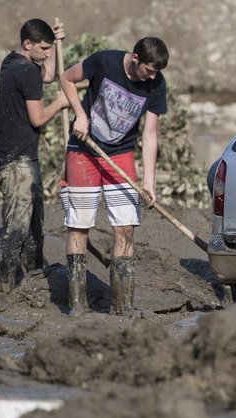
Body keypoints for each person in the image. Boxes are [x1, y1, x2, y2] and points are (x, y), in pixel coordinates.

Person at [59, 37, 168, 316]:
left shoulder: (156, 84)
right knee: (79, 224)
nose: (152, 76)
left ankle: (122, 305)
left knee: (126, 226)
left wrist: (148, 183)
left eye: (157, 72)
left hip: (120, 153)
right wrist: (80, 115)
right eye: (149, 70)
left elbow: (150, 134)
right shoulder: (104, 61)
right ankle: (76, 303)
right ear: (134, 58)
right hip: (83, 150)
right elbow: (66, 78)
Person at [0, 19, 69, 293]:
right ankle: (1, 288)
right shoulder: (26, 72)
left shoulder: (12, 62)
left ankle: (32, 281)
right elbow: (37, 118)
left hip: (19, 155)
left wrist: (57, 45)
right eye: (44, 48)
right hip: (16, 161)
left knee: (35, 227)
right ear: (28, 44)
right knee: (17, 228)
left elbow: (46, 75)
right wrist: (59, 103)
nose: (48, 54)